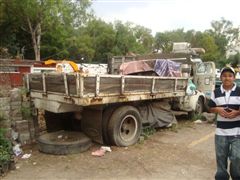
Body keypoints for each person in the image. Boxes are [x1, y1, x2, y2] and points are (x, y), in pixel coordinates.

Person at [208, 66, 240, 180]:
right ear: (220, 77)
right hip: (221, 131)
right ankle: (222, 176)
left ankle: (236, 175)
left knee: (237, 157)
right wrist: (218, 109)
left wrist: (237, 112)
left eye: (230, 76)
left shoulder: (239, 90)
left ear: (234, 78)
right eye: (224, 76)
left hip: (237, 131)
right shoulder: (215, 92)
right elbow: (210, 107)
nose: (227, 78)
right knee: (221, 157)